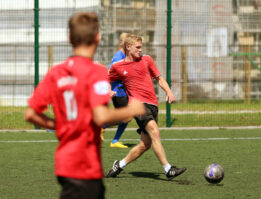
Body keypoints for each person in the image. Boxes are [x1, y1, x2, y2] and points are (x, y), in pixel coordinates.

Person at [24, 12, 145, 199]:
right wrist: (131, 110)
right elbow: (100, 116)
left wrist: (57, 126)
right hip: (86, 165)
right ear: (97, 37)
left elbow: (30, 114)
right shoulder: (96, 71)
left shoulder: (56, 72)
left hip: (64, 163)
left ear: (69, 38)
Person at [106, 34, 186, 180]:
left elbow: (159, 79)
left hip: (153, 105)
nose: (140, 50)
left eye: (141, 47)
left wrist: (169, 92)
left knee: (145, 145)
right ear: (128, 47)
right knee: (155, 131)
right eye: (137, 47)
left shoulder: (147, 60)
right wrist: (108, 91)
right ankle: (168, 169)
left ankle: (119, 164)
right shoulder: (118, 66)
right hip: (138, 105)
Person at [108, 32, 131, 148]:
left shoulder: (127, 56)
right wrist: (109, 89)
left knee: (127, 117)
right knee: (126, 117)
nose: (128, 44)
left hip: (125, 90)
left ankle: (115, 141)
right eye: (126, 42)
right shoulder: (118, 57)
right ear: (121, 43)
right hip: (118, 91)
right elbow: (109, 74)